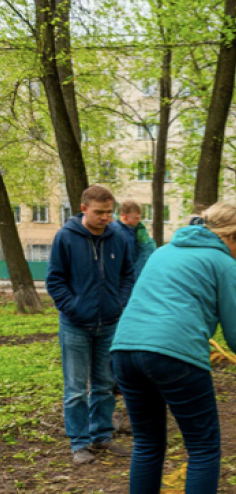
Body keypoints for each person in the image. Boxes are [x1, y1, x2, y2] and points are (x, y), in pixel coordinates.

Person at [110, 203, 236, 494]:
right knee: (203, 447)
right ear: (230, 237)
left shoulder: (164, 252)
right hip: (175, 354)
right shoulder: (224, 265)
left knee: (148, 443)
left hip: (125, 350)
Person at [46, 185, 135, 466]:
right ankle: (79, 443)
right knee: (75, 388)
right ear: (84, 208)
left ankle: (102, 436)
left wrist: (118, 304)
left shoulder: (119, 236)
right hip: (75, 325)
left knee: (106, 384)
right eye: (99, 212)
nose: (105, 218)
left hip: (109, 324)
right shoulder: (66, 237)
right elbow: (55, 280)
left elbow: (128, 275)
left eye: (109, 212)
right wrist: (73, 307)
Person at [117, 200, 157, 279]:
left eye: (140, 217)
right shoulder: (119, 234)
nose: (139, 220)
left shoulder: (138, 231)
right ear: (124, 216)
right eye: (136, 218)